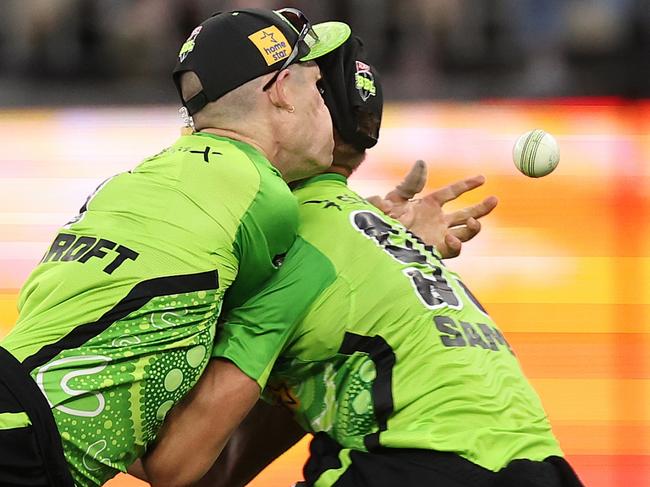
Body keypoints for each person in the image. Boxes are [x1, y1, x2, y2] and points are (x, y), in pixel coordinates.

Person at [140, 33, 583, 487]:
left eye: (308, 84)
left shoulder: (277, 236)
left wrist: (77, 424)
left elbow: (177, 466)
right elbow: (224, 466)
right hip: (543, 467)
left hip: (417, 464)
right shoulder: (360, 238)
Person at [0, 8, 351, 487]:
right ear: (283, 89)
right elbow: (175, 464)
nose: (327, 106)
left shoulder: (131, 181)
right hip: (24, 441)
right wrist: (384, 228)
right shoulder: (263, 199)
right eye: (317, 86)